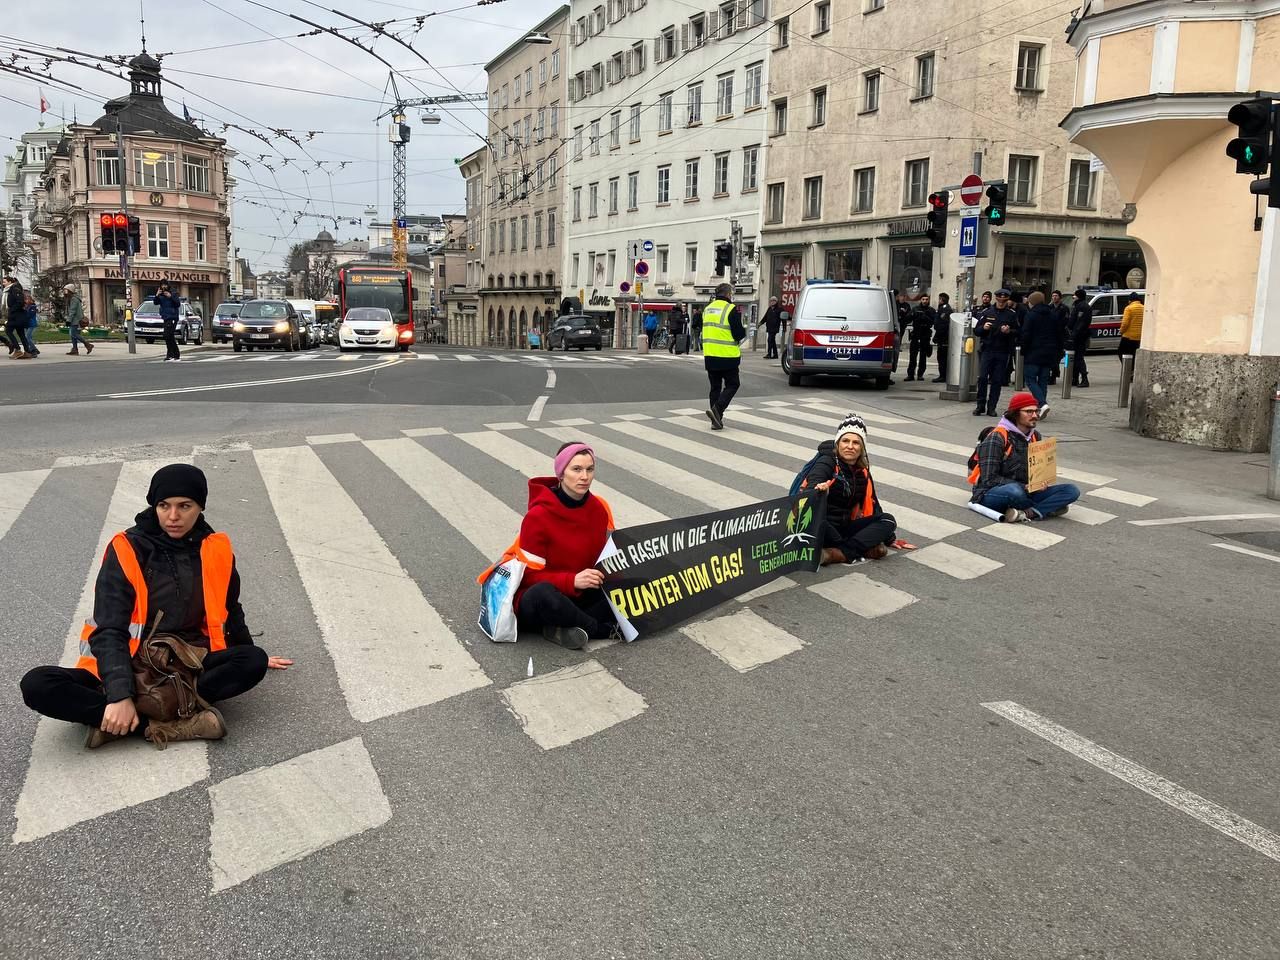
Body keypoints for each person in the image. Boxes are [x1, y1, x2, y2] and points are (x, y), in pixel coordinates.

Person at [19, 464, 293, 750]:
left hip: (189, 660)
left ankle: (121, 724)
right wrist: (119, 694)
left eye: (184, 506)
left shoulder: (216, 548)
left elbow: (230, 607)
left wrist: (244, 647)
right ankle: (171, 723)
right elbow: (109, 627)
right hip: (131, 657)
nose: (173, 517)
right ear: (154, 505)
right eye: (164, 506)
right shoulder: (127, 548)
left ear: (200, 507)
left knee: (253, 661)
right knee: (38, 684)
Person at [512, 442, 617, 650]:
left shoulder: (599, 508)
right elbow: (527, 577)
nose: (584, 476)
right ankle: (599, 630)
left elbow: (604, 559)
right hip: (544, 598)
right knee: (543, 594)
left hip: (581, 594)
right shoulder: (538, 516)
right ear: (561, 473)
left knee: (635, 584)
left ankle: (565, 627)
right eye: (576, 469)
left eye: (589, 469)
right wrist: (572, 581)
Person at [969, 391, 1080, 523]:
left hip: (1026, 490)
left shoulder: (1035, 436)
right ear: (1015, 414)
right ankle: (1046, 508)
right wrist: (1024, 487)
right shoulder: (996, 438)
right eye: (1028, 412)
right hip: (992, 492)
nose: (1034, 415)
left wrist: (1040, 482)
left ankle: (1029, 512)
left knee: (1071, 490)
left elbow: (1036, 469)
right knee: (1015, 491)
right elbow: (989, 479)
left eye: (1036, 411)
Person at [802, 414, 897, 565]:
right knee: (826, 528)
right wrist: (821, 491)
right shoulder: (827, 462)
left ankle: (838, 553)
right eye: (845, 441)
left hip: (844, 527)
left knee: (888, 520)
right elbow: (810, 489)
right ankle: (855, 549)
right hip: (822, 526)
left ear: (862, 448)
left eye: (856, 443)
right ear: (838, 443)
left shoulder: (862, 471)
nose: (850, 446)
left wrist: (887, 537)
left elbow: (874, 505)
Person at [702, 282, 746, 431]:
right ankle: (718, 409)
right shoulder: (730, 309)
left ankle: (716, 420)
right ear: (728, 294)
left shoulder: (707, 309)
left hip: (710, 355)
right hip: (727, 356)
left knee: (715, 387)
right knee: (733, 384)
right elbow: (738, 334)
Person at [973, 289, 1020, 417]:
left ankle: (992, 407)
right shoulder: (986, 312)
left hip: (1002, 351)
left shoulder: (1011, 314)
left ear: (1007, 301)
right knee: (982, 378)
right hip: (987, 350)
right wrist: (984, 328)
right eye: (999, 299)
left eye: (1004, 300)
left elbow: (1018, 331)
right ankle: (980, 405)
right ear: (996, 299)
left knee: (997, 380)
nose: (1001, 301)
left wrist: (1009, 331)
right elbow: (976, 330)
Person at [1019, 291, 1063, 418]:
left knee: (1030, 379)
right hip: (1049, 353)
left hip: (1033, 352)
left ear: (1032, 302)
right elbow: (1059, 334)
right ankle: (1040, 407)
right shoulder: (1053, 314)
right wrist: (1058, 351)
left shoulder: (1031, 315)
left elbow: (1026, 334)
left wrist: (1023, 349)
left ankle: (1042, 404)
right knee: (1043, 380)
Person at [905, 294, 936, 381]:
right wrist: (913, 315)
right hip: (916, 333)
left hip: (925, 334)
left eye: (926, 299)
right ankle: (910, 374)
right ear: (920, 300)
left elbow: (934, 321)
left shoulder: (931, 310)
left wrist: (925, 316)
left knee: (923, 356)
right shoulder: (915, 309)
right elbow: (908, 319)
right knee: (913, 356)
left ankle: (920, 374)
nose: (925, 301)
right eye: (923, 299)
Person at [1067, 289, 1092, 387]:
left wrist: (1073, 335)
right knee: (1074, 357)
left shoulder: (1083, 307)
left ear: (1078, 296)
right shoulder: (1078, 305)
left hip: (1080, 336)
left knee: (1078, 358)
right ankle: (1075, 378)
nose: (1073, 297)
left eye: (1074, 295)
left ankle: (1084, 379)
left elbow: (1081, 323)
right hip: (1077, 335)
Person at [4, 275, 31, 359]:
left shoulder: (14, 289)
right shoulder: (11, 290)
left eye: (4, 282)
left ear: (10, 282)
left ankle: (17, 350)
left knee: (8, 330)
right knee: (21, 334)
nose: (3, 283)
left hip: (16, 316)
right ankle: (27, 352)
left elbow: (20, 302)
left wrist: (12, 310)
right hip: (18, 316)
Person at [154, 283, 181, 361]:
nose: (163, 287)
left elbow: (178, 304)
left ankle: (171, 354)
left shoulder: (173, 293)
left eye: (165, 285)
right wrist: (157, 295)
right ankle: (174, 354)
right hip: (165, 317)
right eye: (162, 285)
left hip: (172, 317)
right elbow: (155, 303)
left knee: (167, 335)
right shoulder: (161, 295)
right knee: (169, 337)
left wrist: (170, 296)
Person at [1046, 291, 1069, 385]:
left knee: (1057, 357)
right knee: (1050, 356)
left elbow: (1065, 321)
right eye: (1053, 296)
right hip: (1050, 335)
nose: (1054, 297)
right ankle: (1051, 374)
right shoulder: (1049, 307)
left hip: (1060, 335)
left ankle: (1054, 375)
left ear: (1060, 297)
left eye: (1056, 296)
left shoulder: (1064, 308)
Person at [64, 284, 94, 355]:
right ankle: (75, 349)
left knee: (73, 334)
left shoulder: (74, 299)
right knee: (73, 335)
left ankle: (87, 344)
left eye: (66, 290)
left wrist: (68, 320)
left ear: (70, 291)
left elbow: (72, 310)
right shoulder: (71, 298)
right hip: (74, 319)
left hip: (75, 320)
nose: (64, 292)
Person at [931, 292, 952, 383]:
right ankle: (942, 375)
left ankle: (943, 376)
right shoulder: (943, 308)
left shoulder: (945, 309)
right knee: (941, 357)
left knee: (942, 358)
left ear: (941, 300)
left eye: (939, 299)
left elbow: (942, 325)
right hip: (942, 336)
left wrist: (937, 336)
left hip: (943, 337)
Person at [1119, 292, 1143, 357]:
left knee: (1122, 354)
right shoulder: (1143, 308)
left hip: (1128, 337)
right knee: (1134, 355)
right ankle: (1133, 367)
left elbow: (1125, 323)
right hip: (1139, 337)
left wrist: (1121, 331)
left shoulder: (1129, 308)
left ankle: (1127, 367)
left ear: (1130, 300)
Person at [22, 293, 40, 357]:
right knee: (29, 338)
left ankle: (34, 349)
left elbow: (29, 315)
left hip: (32, 324)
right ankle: (32, 350)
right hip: (27, 324)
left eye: (27, 299)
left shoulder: (33, 307)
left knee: (27, 337)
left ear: (30, 300)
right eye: (25, 300)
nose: (25, 301)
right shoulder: (26, 306)